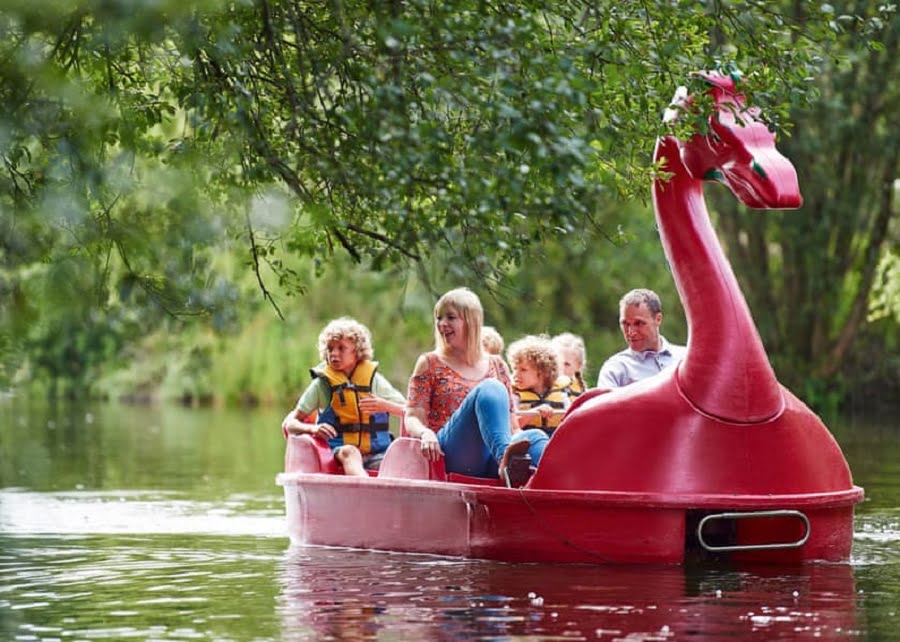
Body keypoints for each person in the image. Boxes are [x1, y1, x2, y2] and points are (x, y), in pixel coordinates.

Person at [404, 287, 550, 487]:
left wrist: (524, 445)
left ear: (471, 321)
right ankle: (504, 463)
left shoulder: (497, 365)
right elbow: (412, 416)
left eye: (450, 317)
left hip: (490, 456)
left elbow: (512, 426)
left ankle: (564, 492)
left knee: (535, 437)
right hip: (451, 454)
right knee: (490, 388)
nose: (442, 324)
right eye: (439, 318)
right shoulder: (429, 363)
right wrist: (424, 433)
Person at [281, 317, 406, 477]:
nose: (334, 354)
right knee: (351, 452)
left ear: (357, 352)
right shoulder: (322, 385)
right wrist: (313, 429)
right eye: (330, 349)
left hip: (377, 452)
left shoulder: (374, 382)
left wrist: (384, 405)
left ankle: (389, 494)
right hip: (340, 452)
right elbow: (291, 423)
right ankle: (367, 488)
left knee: (395, 461)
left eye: (341, 348)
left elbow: (408, 410)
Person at [596, 288, 687, 389]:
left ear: (658, 319)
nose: (631, 332)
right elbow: (604, 404)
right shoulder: (615, 370)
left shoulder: (685, 358)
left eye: (639, 323)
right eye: (625, 324)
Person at [507, 334, 570, 436]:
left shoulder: (561, 395)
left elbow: (572, 422)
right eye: (515, 368)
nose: (515, 375)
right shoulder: (514, 395)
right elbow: (511, 427)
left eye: (523, 370)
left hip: (554, 442)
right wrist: (534, 412)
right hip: (528, 443)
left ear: (543, 372)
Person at [551, 332, 588, 401]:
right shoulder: (541, 390)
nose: (559, 368)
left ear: (579, 366)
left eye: (566, 364)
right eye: (555, 363)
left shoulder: (585, 395)